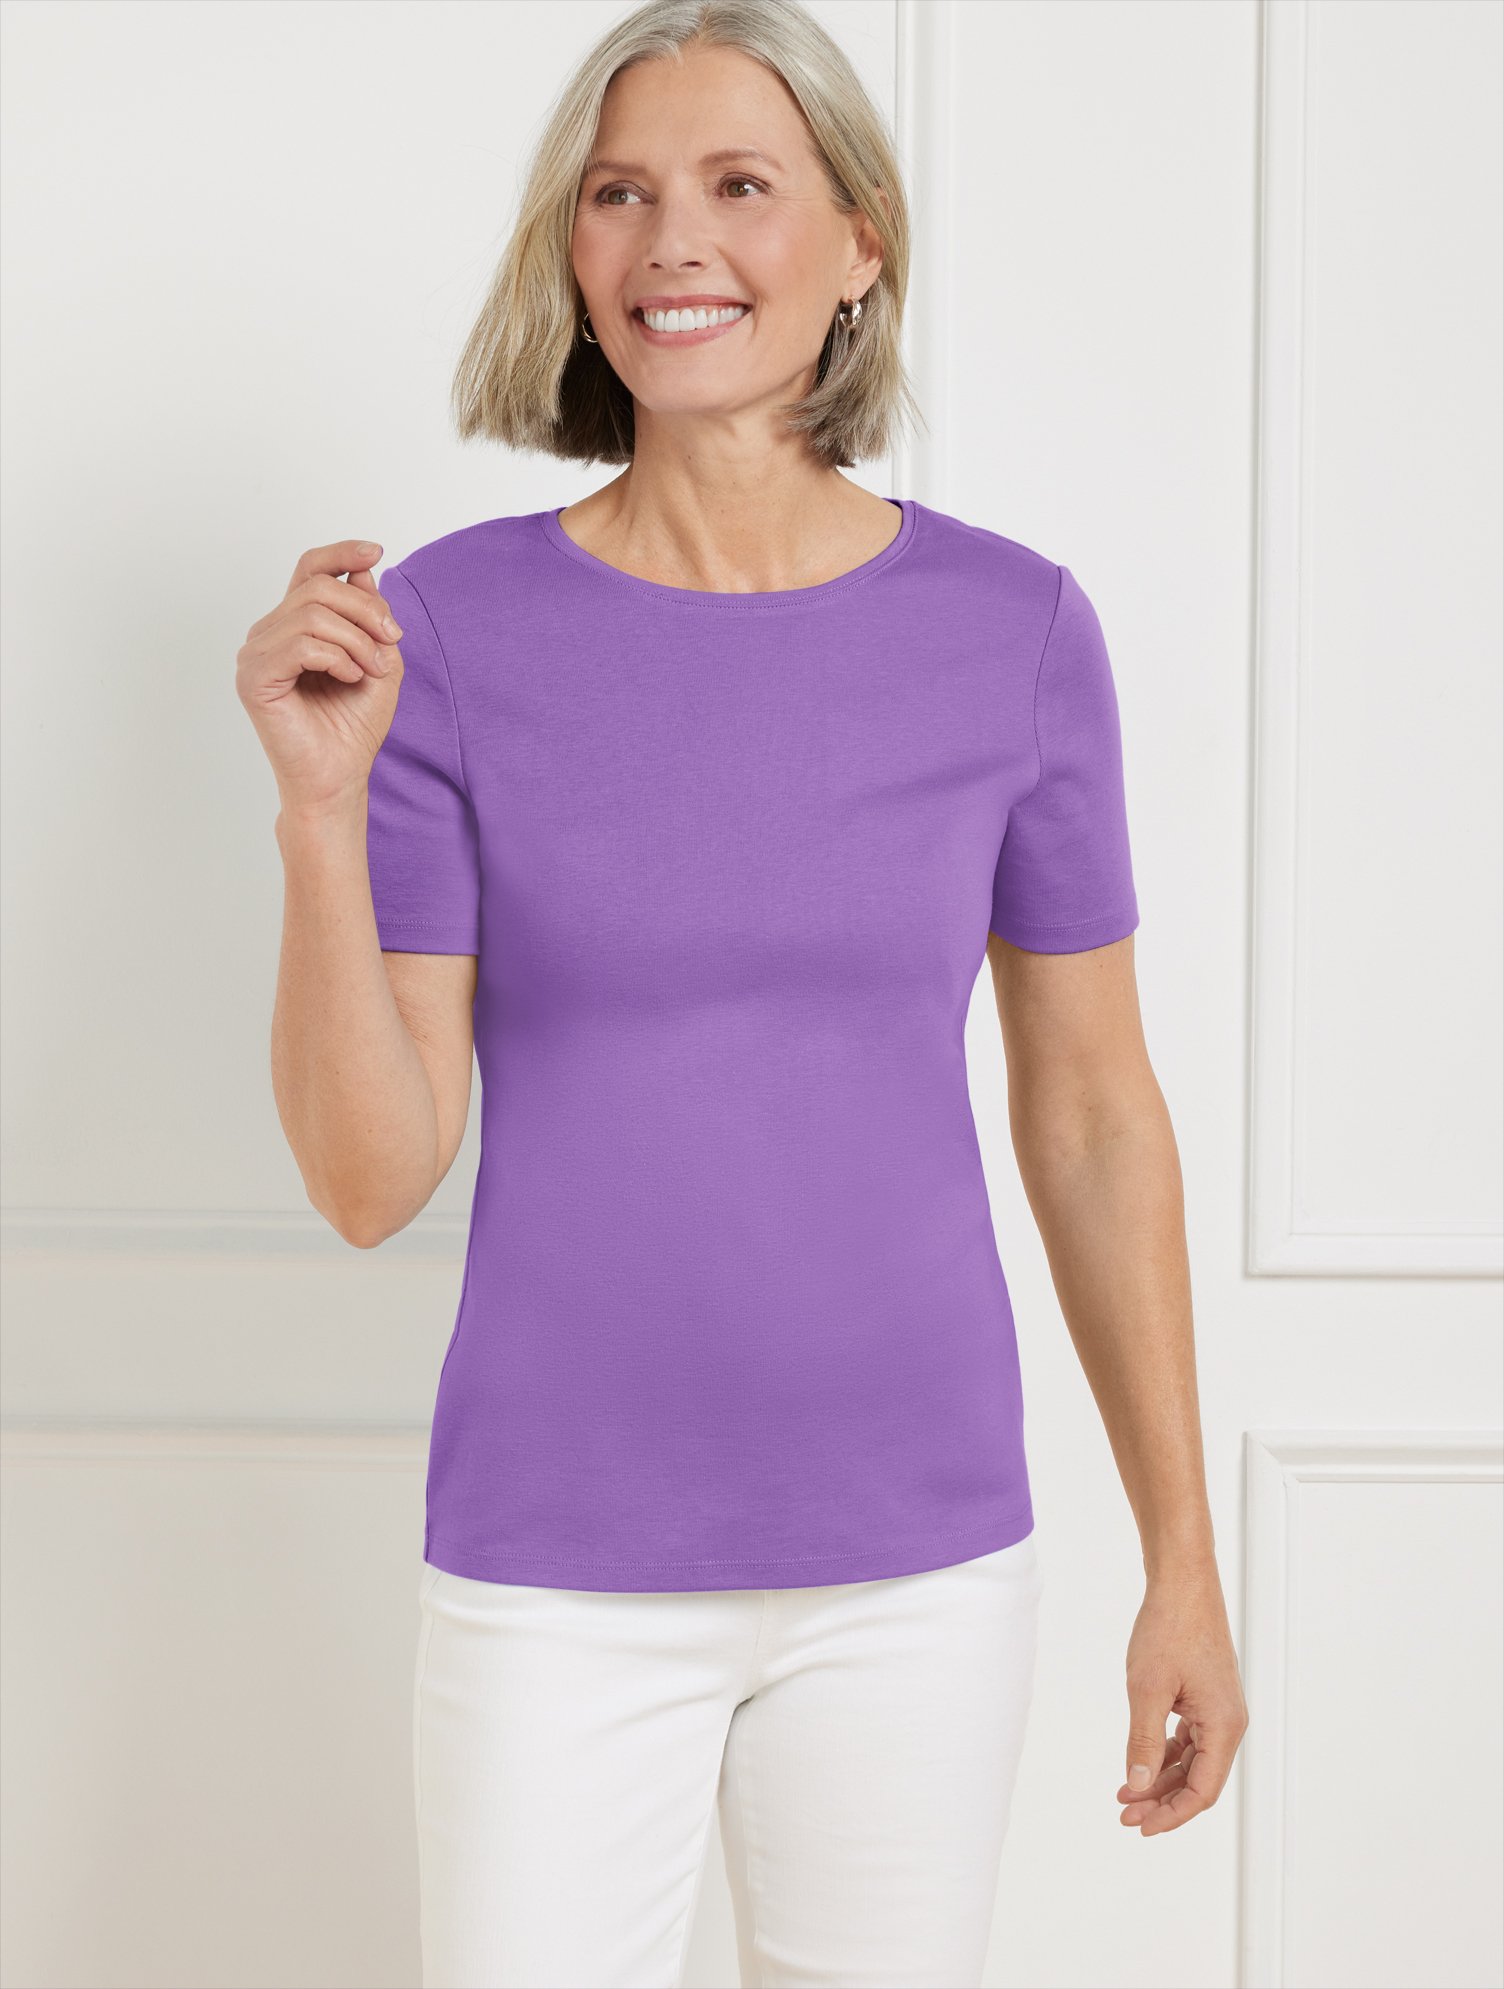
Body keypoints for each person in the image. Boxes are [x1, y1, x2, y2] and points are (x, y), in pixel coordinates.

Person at [237, 1, 1249, 1982]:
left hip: (919, 1571)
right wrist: (315, 814)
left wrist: (1184, 1560)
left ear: (859, 239)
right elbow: (368, 1176)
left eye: (737, 185)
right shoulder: (443, 635)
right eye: (619, 194)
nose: (671, 242)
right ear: (569, 246)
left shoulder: (1014, 631)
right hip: (553, 1568)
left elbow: (1092, 1119)